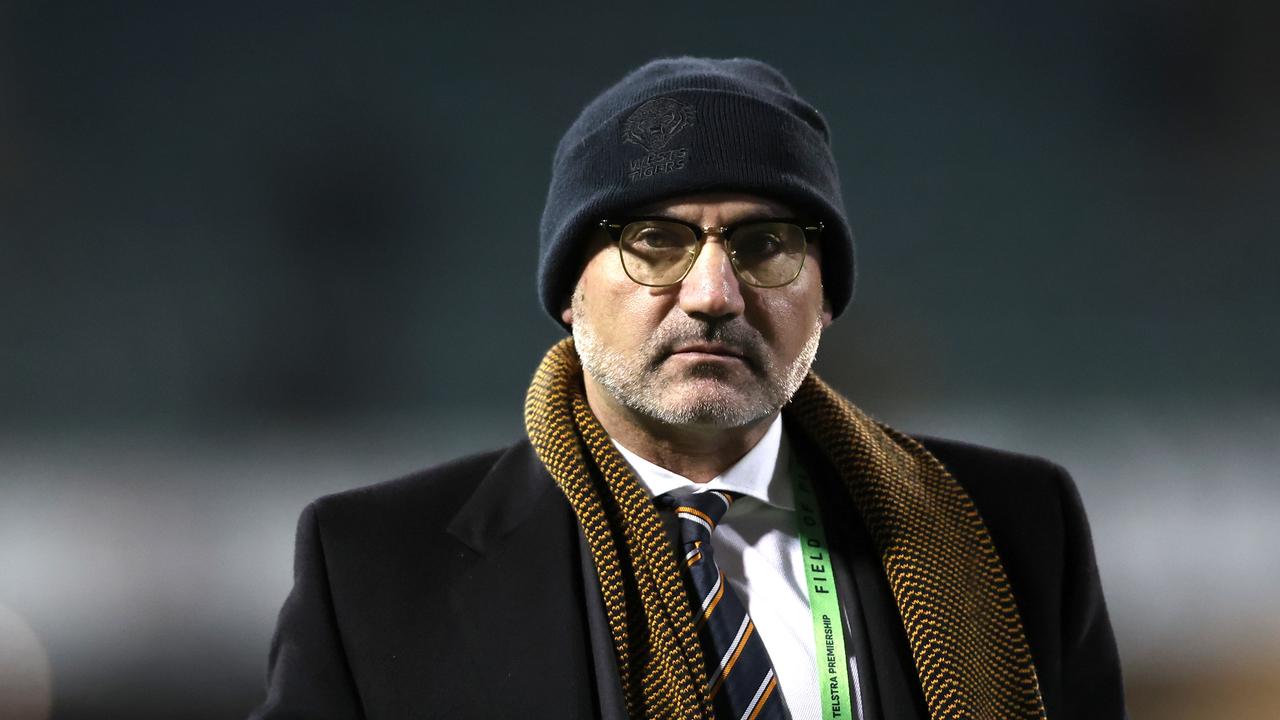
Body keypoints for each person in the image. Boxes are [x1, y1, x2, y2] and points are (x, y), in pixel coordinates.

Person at [249, 57, 1126, 720]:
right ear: (569, 289)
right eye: (656, 242)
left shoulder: (1017, 528)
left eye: (766, 244)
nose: (713, 292)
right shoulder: (373, 572)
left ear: (826, 293)